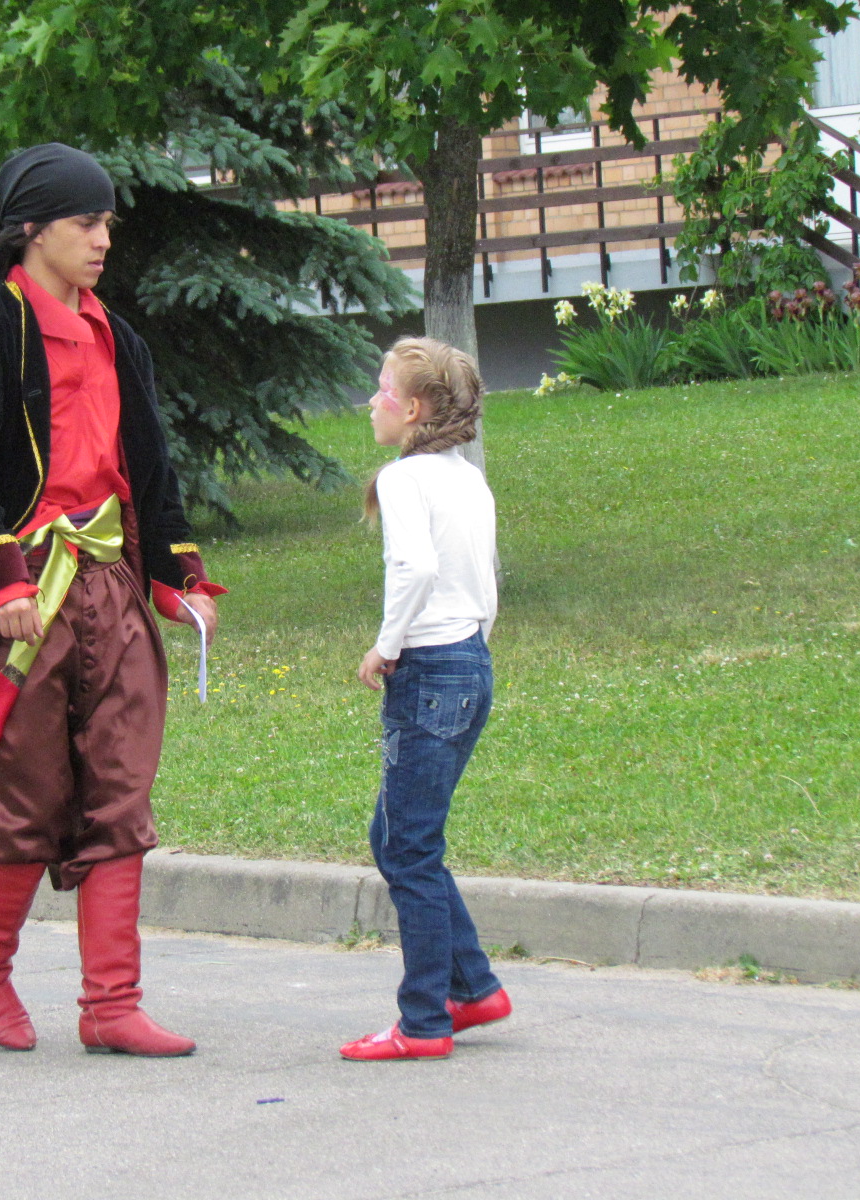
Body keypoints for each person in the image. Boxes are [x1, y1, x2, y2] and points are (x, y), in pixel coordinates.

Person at [0, 143, 224, 1057]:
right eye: (87, 222)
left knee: (121, 785)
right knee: (27, 792)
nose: (103, 238)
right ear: (34, 228)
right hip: (22, 595)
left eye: (108, 222)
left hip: (108, 587)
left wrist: (179, 577)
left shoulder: (120, 338)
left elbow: (151, 471)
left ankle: (111, 1006)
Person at [339, 336, 511, 1062]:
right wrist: (473, 643)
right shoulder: (469, 480)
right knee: (397, 837)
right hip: (470, 662)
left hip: (430, 671)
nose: (371, 402)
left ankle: (423, 1021)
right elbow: (484, 579)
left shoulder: (404, 479)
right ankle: (474, 989)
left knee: (408, 847)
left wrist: (386, 645)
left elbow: (414, 567)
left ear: (411, 410)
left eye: (382, 390)